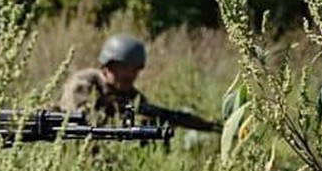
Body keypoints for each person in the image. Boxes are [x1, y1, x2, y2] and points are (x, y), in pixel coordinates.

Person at [58, 33, 220, 132]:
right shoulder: (85, 82)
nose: (130, 74)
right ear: (107, 67)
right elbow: (79, 119)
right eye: (124, 68)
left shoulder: (133, 97)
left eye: (135, 69)